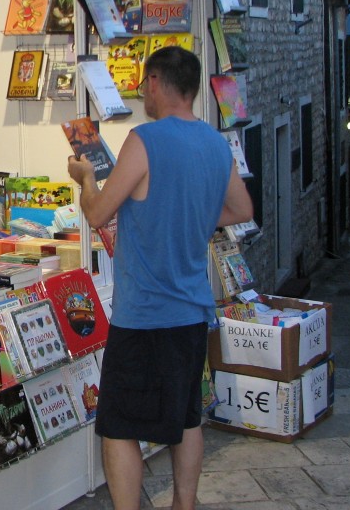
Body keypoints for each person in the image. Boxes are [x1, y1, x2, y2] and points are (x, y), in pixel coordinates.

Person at [67, 46, 253, 510]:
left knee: (118, 426)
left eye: (143, 85)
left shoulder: (144, 139)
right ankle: (184, 505)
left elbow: (98, 212)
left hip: (145, 314)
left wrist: (85, 178)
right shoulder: (215, 142)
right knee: (186, 419)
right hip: (192, 311)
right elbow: (241, 209)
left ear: (154, 83)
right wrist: (190, 216)